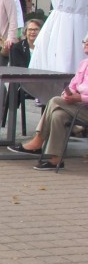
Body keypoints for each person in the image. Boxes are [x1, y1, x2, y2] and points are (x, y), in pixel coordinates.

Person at [7, 31, 88, 171]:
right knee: (58, 115)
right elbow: (72, 85)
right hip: (78, 106)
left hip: (84, 106)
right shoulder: (84, 63)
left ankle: (38, 140)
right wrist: (68, 94)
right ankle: (56, 160)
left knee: (55, 101)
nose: (85, 44)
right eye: (84, 42)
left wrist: (80, 97)